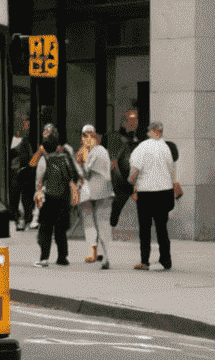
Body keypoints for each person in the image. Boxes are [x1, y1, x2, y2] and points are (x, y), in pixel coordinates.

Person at [129, 121, 178, 270]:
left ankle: (145, 261)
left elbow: (134, 173)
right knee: (162, 227)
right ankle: (166, 260)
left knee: (145, 228)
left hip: (146, 193)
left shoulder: (142, 147)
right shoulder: (166, 148)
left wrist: (131, 183)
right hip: (165, 192)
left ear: (150, 131)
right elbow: (171, 169)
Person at [34, 133, 77, 266]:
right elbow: (73, 176)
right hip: (64, 198)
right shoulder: (65, 159)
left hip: (49, 198)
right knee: (61, 229)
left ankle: (44, 258)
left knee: (46, 229)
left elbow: (39, 181)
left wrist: (38, 197)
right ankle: (62, 257)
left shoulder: (44, 160)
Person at [75, 125, 113, 268]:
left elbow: (84, 172)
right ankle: (103, 254)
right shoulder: (102, 151)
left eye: (88, 136)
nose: (86, 139)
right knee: (101, 222)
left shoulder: (94, 152)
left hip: (91, 190)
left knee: (89, 220)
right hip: (104, 190)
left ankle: (96, 253)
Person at [107, 109, 140, 229]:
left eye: (135, 119)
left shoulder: (137, 139)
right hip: (122, 181)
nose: (133, 122)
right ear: (123, 122)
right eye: (130, 119)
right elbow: (113, 161)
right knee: (117, 207)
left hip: (135, 179)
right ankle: (112, 224)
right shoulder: (116, 138)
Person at [9, 117, 34, 231]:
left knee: (24, 198)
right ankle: (18, 220)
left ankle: (24, 220)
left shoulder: (26, 141)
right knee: (15, 198)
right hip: (14, 173)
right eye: (25, 125)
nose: (27, 128)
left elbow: (30, 158)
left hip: (23, 173)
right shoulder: (12, 140)